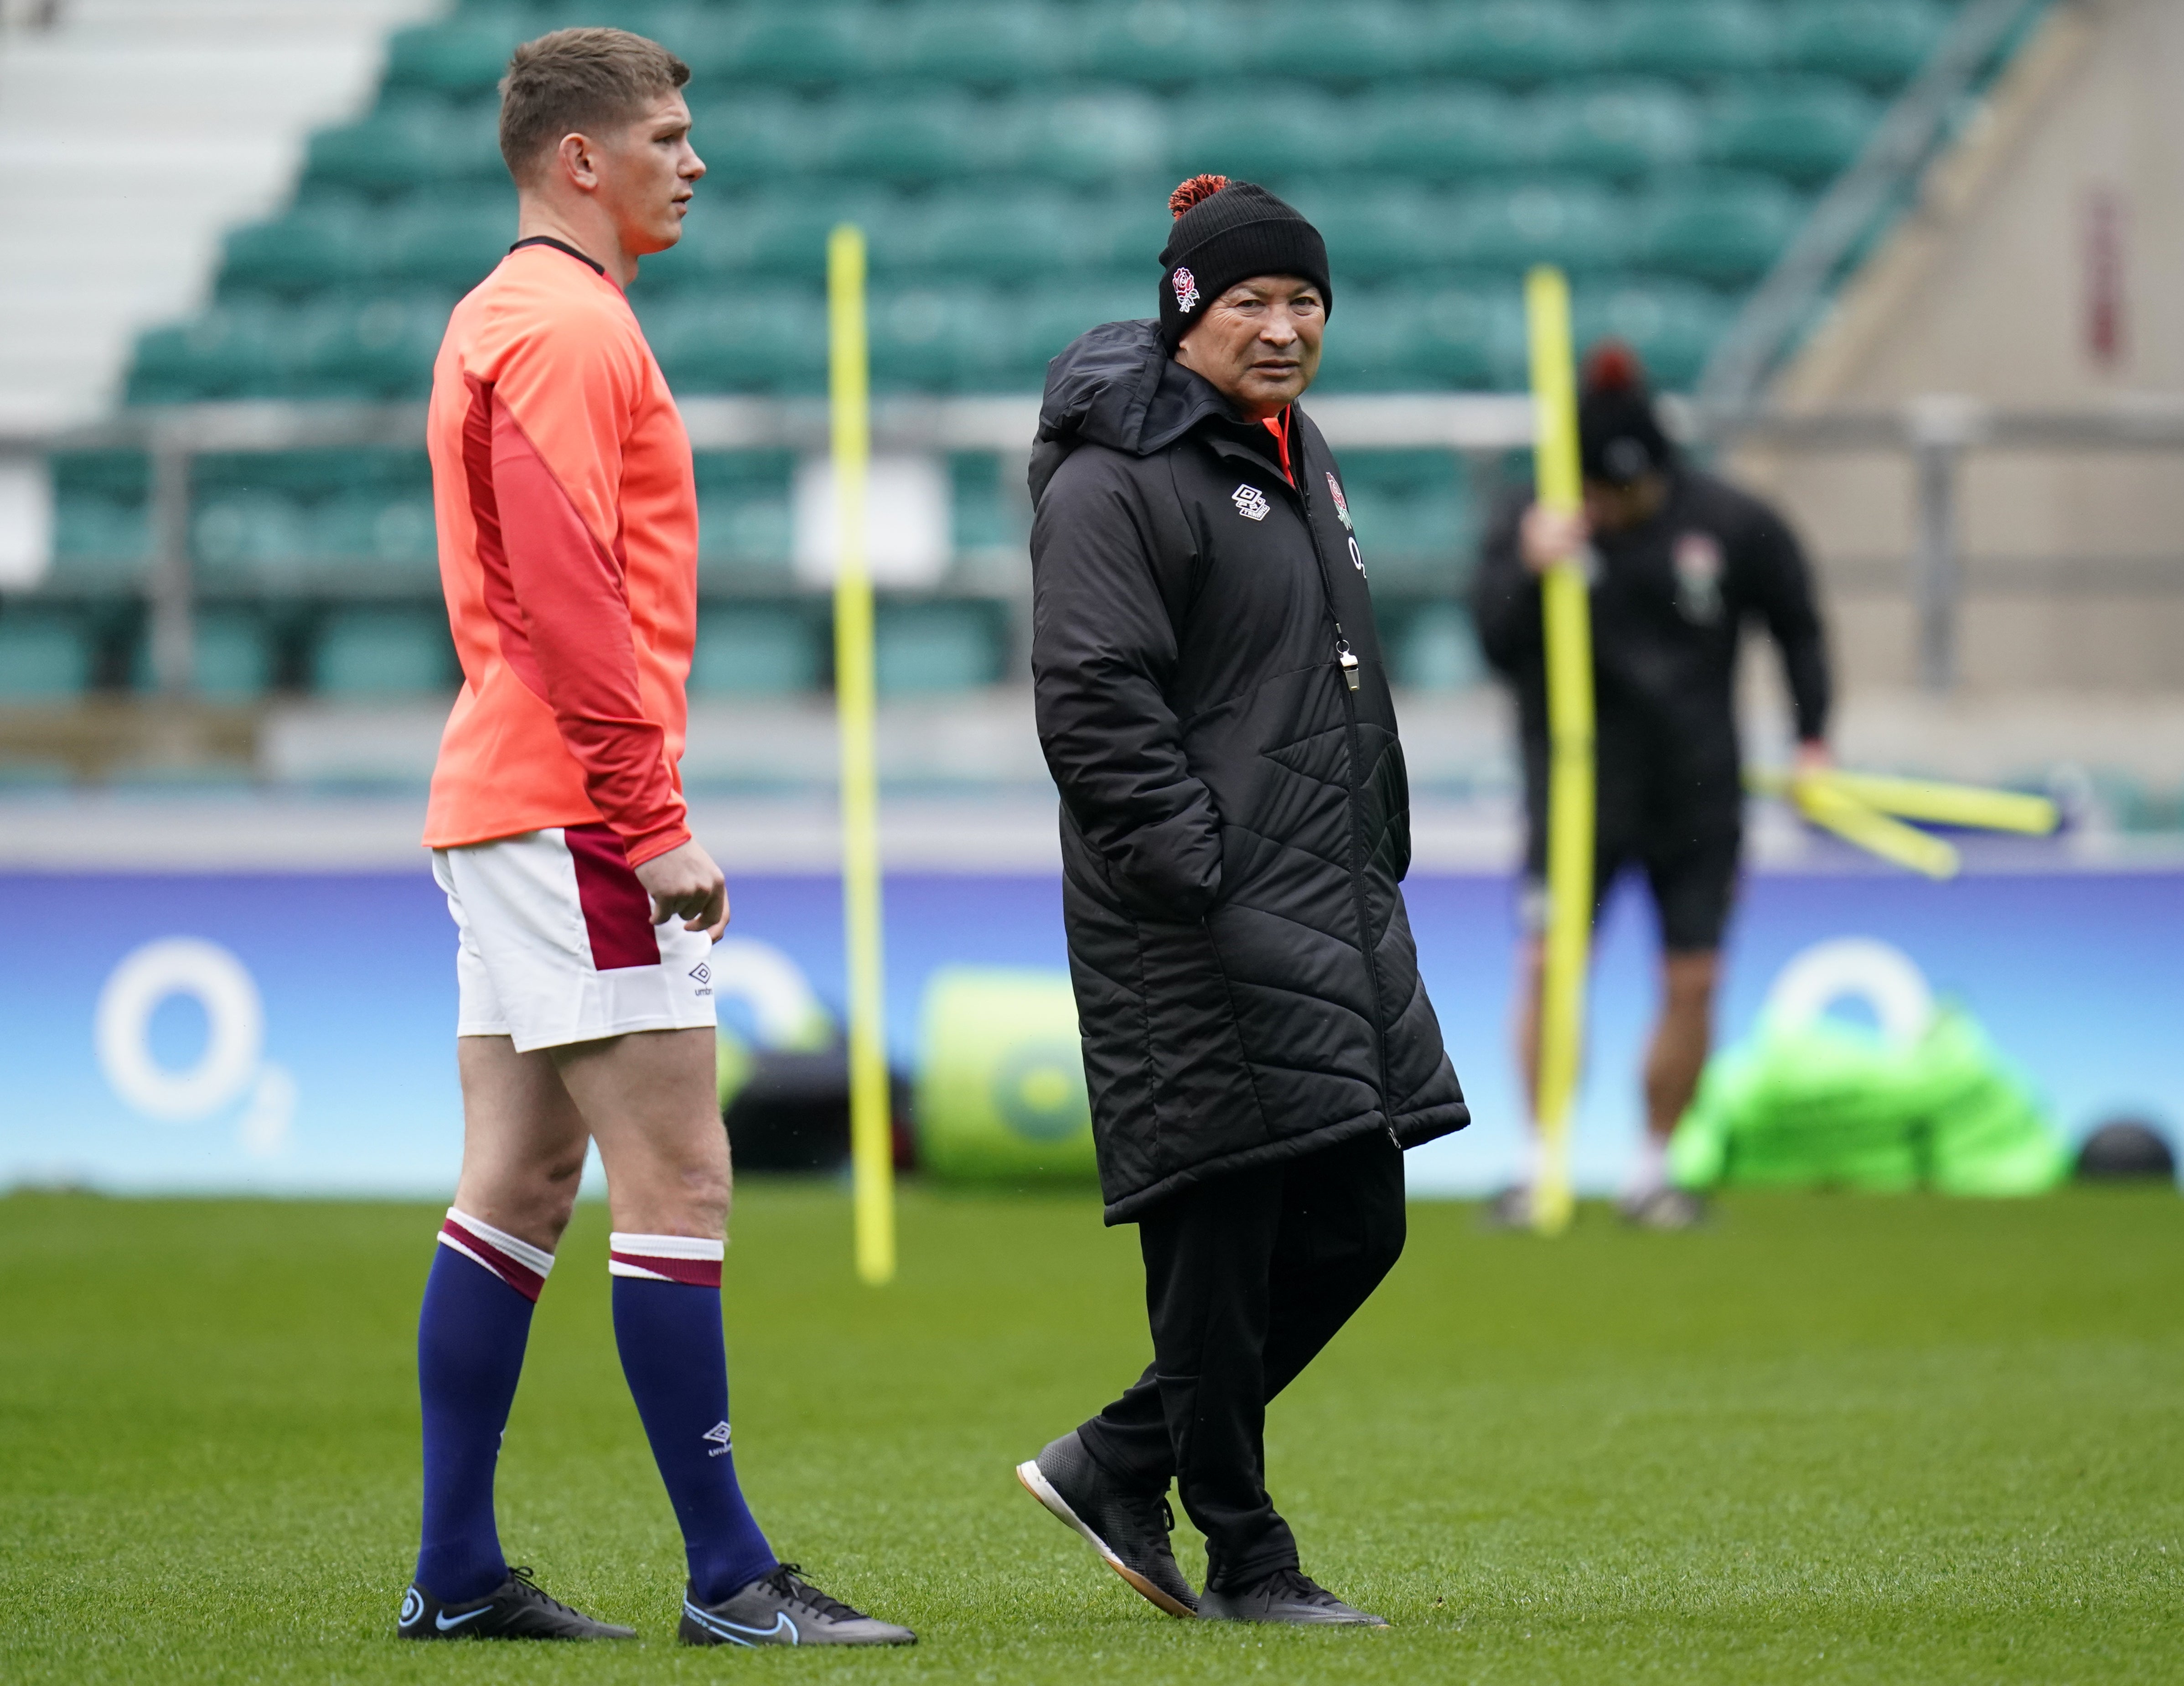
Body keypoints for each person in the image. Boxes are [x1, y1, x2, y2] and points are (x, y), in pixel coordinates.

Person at [398, 29, 911, 1648]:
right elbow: (566, 591)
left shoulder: (508, 313)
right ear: (581, 160)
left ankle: (461, 1571)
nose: (693, 161)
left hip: (504, 795)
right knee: (678, 1164)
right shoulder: (564, 326)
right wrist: (654, 817)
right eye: (670, 137)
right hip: (569, 808)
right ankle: (730, 1575)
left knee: (521, 1177)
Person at [1015, 176, 1468, 1627]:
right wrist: (1191, 870)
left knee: (1354, 1223)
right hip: (1196, 914)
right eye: (1248, 302)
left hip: (1318, 898)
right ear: (1182, 311)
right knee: (1216, 1247)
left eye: (1303, 303)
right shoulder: (1116, 473)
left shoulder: (1289, 451)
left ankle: (1117, 1460)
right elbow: (1091, 697)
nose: (1281, 329)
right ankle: (1246, 1555)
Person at [1470, 344, 1832, 1229]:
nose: (1613, 507)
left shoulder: (1736, 522)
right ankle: (1540, 1163)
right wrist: (1529, 565)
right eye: (1599, 490)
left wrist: (1813, 739)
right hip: (1573, 791)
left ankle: (1652, 1169)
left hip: (1699, 794)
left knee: (1695, 980)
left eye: (1629, 493)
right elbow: (1489, 636)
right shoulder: (1536, 517)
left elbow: (1800, 629)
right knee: (1552, 972)